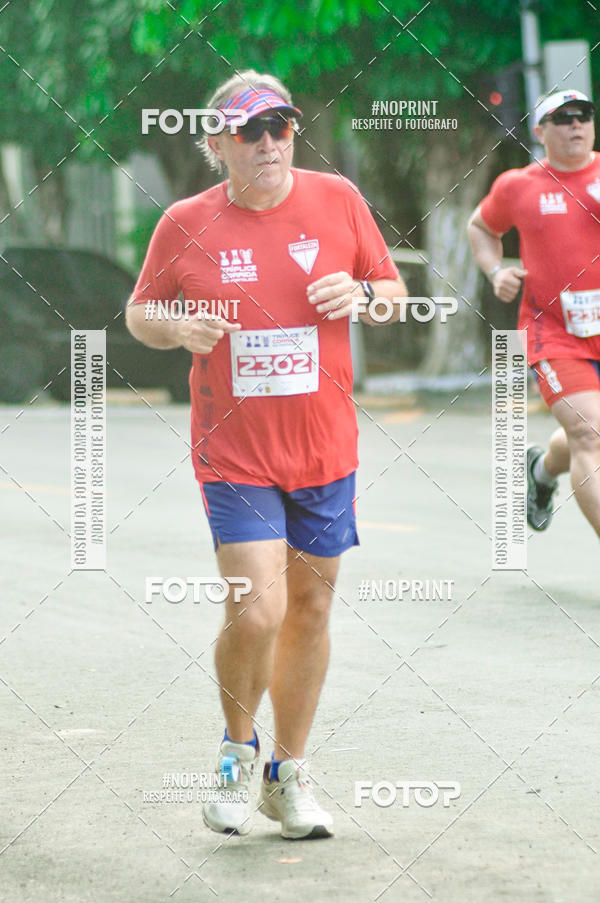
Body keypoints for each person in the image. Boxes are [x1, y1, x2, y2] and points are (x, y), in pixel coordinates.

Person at [126, 70, 407, 839]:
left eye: (279, 127)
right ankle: (233, 755)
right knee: (260, 607)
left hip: (326, 446)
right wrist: (178, 328)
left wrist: (365, 295)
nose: (268, 143)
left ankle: (287, 775)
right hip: (236, 450)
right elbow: (141, 310)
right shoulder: (184, 221)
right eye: (249, 132)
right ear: (217, 144)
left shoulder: (338, 199)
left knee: (311, 608)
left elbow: (390, 288)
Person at [467, 88, 600, 539]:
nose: (576, 125)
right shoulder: (518, 186)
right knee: (590, 435)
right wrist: (494, 270)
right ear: (540, 131)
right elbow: (481, 227)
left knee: (590, 434)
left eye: (583, 115)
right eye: (563, 119)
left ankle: (541, 470)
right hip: (555, 332)